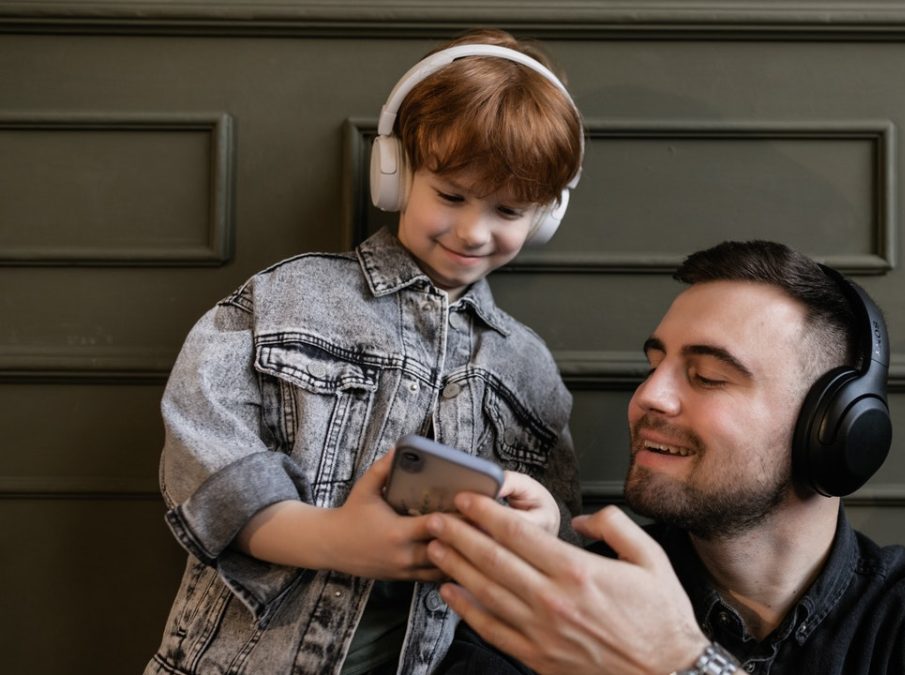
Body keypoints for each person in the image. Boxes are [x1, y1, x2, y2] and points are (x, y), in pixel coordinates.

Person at [145, 28, 585, 675]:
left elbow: (555, 534)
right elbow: (207, 455)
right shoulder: (286, 298)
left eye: (509, 210)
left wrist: (549, 527)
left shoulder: (528, 365)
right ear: (396, 171)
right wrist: (334, 540)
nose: (472, 230)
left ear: (546, 216)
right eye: (451, 195)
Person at [425, 241, 905, 674]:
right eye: (654, 366)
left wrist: (678, 663)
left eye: (706, 377)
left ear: (832, 429)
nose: (647, 398)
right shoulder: (559, 606)